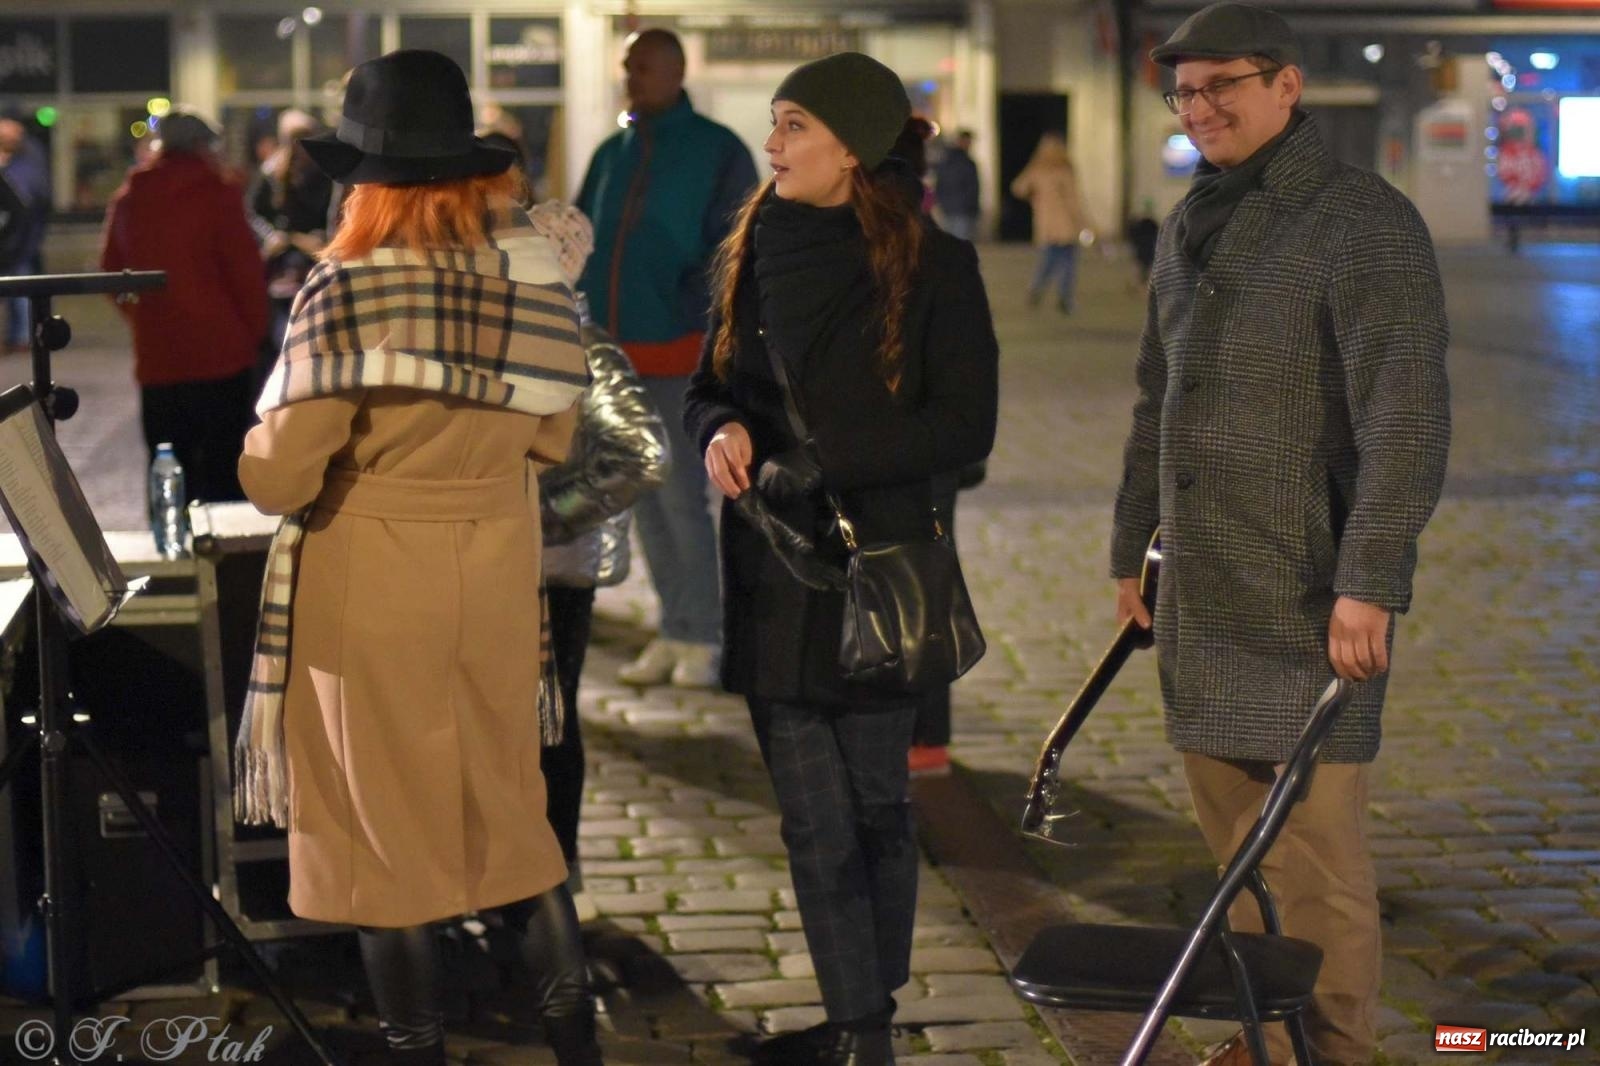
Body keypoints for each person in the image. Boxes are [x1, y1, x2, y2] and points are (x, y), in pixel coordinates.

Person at [233, 50, 604, 1066]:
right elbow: (554, 440)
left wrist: (260, 438)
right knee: (509, 820)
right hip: (490, 574)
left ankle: (416, 1048)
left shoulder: (344, 285)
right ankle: (578, 1043)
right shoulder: (529, 282)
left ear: (366, 178)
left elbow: (281, 477)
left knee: (378, 838)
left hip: (371, 581)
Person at [1110, 6, 1450, 1065]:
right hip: (1203, 584)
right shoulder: (1189, 220)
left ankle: (1333, 1047)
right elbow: (1155, 397)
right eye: (1185, 91)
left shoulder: (1360, 220)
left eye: (1224, 85)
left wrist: (1371, 580)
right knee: (1235, 848)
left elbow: (1406, 414)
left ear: (1286, 87)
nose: (1200, 107)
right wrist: (1133, 547)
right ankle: (1268, 1035)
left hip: (1306, 587)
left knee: (1314, 856)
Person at [685, 52, 998, 1065]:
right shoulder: (751, 248)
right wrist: (718, 428)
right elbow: (710, 383)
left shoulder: (935, 266)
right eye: (775, 125)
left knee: (878, 808)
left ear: (853, 150)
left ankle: (868, 1007)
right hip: (774, 569)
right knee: (815, 823)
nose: (771, 146)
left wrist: (822, 463)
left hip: (880, 573)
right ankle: (862, 1028)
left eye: (792, 127)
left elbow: (964, 424)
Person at [576, 28, 758, 689]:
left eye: (643, 65)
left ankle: (703, 633)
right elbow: (583, 238)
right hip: (615, 357)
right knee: (644, 498)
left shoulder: (715, 151)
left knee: (682, 498)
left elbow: (735, 249)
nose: (631, 75)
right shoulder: (611, 154)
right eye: (627, 66)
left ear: (676, 71)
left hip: (681, 353)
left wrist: (697, 314)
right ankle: (674, 623)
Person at [531, 202, 669, 913]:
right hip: (520, 566)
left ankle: (556, 883)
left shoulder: (584, 346)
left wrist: (546, 518)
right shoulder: (528, 339)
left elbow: (642, 455)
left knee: (552, 727)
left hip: (556, 570)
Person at [99, 110, 268, 502]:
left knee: (168, 469)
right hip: (222, 353)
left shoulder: (130, 198)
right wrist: (252, 333)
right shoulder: (217, 194)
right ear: (202, 147)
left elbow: (110, 272)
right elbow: (244, 272)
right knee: (225, 468)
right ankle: (222, 561)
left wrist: (141, 315)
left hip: (158, 357)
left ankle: (171, 556)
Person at [248, 109, 333, 375]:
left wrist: (318, 239)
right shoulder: (272, 173)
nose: (298, 147)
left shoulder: (326, 173)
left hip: (314, 260)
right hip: (282, 265)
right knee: (281, 331)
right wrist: (272, 237)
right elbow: (253, 212)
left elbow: (332, 215)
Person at [1009, 133, 1089, 313]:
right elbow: (1073, 201)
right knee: (1067, 262)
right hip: (1066, 224)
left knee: (1048, 260)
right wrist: (1083, 222)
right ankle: (1065, 298)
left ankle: (1036, 290)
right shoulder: (1064, 170)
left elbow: (1018, 188)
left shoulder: (1037, 169)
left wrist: (1035, 196)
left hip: (1045, 224)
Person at [0, 118, 49, 354]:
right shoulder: (28, 163)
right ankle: (18, 335)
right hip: (20, 240)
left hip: (18, 241)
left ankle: (20, 336)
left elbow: (20, 208)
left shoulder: (21, 169)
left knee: (20, 289)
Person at [932, 129, 980, 242]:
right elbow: (968, 187)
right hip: (960, 208)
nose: (969, 144)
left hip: (955, 208)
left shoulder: (952, 160)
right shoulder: (960, 162)